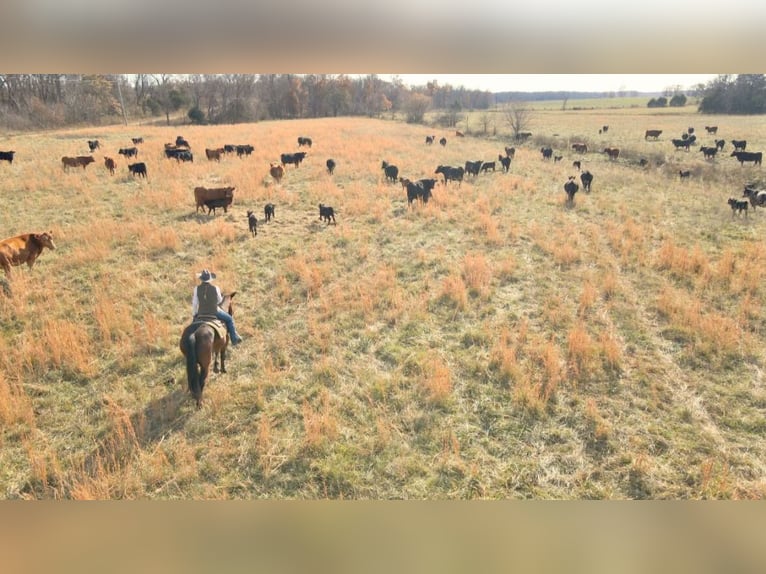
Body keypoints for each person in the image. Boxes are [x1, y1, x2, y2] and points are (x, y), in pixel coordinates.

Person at [191, 269, 243, 345]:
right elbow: (219, 301)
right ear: (210, 279)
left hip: (201, 312)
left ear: (201, 279)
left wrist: (195, 313)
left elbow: (195, 303)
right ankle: (234, 339)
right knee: (229, 319)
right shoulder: (216, 288)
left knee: (192, 326)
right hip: (214, 312)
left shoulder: (196, 288)